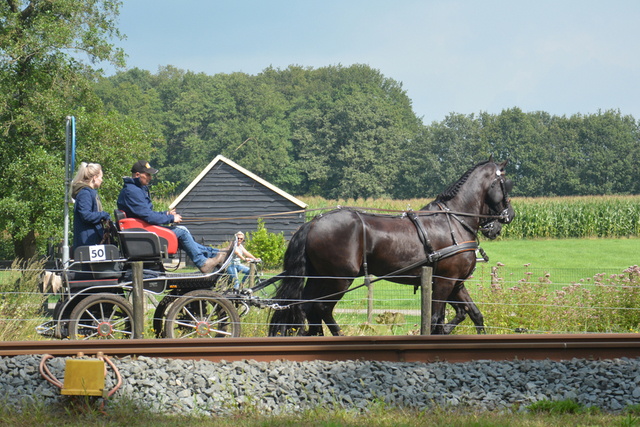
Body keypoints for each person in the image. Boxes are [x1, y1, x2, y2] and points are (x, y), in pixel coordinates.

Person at [117, 160, 226, 273]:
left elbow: (144, 213)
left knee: (182, 234)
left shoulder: (136, 189)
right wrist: (171, 218)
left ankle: (215, 254)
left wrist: (165, 214)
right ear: (138, 175)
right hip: (143, 233)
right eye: (147, 174)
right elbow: (148, 216)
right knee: (182, 231)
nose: (150, 177)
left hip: (144, 230)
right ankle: (203, 262)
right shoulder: (133, 192)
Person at [71, 162, 111, 249]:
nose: (102, 180)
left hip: (90, 241)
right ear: (95, 178)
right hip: (87, 243)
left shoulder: (87, 193)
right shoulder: (84, 193)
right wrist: (103, 215)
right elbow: (86, 215)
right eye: (101, 177)